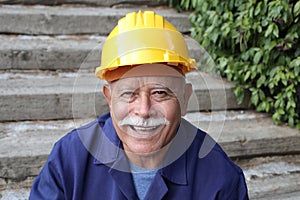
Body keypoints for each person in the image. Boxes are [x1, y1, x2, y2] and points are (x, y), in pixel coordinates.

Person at [29, 10, 249, 199]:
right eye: (128, 93)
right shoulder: (69, 160)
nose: (143, 110)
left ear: (185, 98)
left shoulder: (220, 176)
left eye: (160, 93)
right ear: (109, 97)